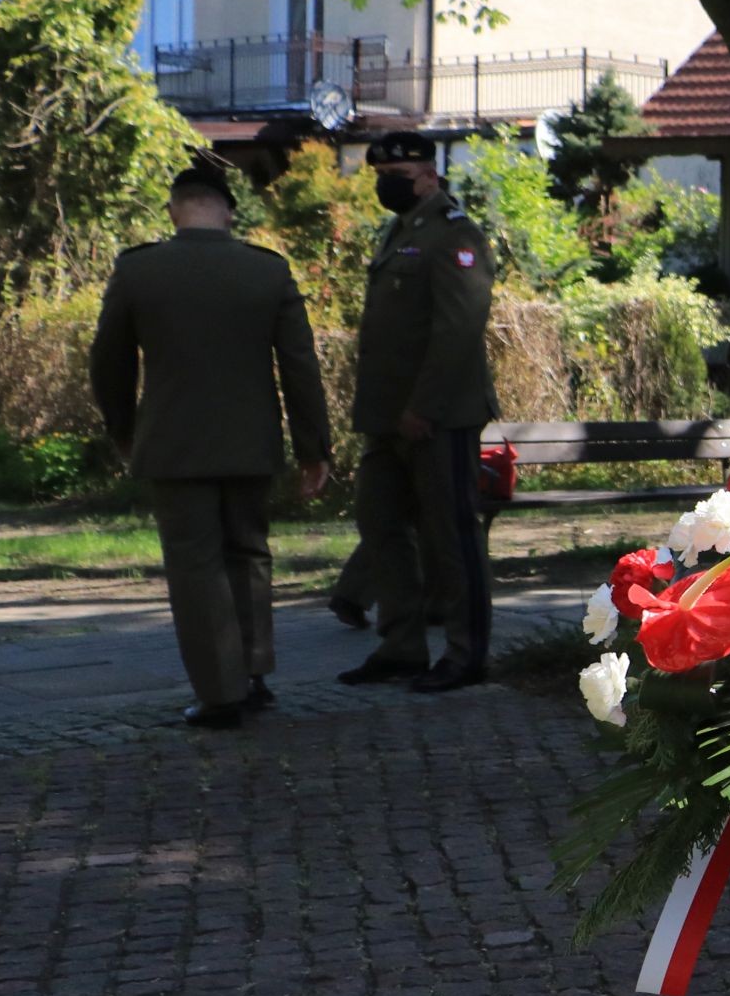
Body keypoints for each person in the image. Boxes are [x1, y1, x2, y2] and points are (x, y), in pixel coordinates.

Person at [89, 160, 333, 729]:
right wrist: (313, 448)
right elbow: (300, 366)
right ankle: (253, 674)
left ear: (174, 210)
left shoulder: (138, 271)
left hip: (174, 444)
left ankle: (220, 694)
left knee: (196, 564)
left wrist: (124, 430)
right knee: (249, 554)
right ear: (228, 211)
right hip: (252, 443)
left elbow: (109, 363)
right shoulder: (267, 272)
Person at [340, 131, 497, 694]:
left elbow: (459, 327)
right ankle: (401, 645)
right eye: (381, 176)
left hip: (440, 415)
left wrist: (424, 406)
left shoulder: (455, 235)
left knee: (450, 537)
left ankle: (465, 654)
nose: (387, 185)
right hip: (386, 417)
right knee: (380, 524)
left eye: (398, 177)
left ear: (429, 175)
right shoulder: (401, 231)